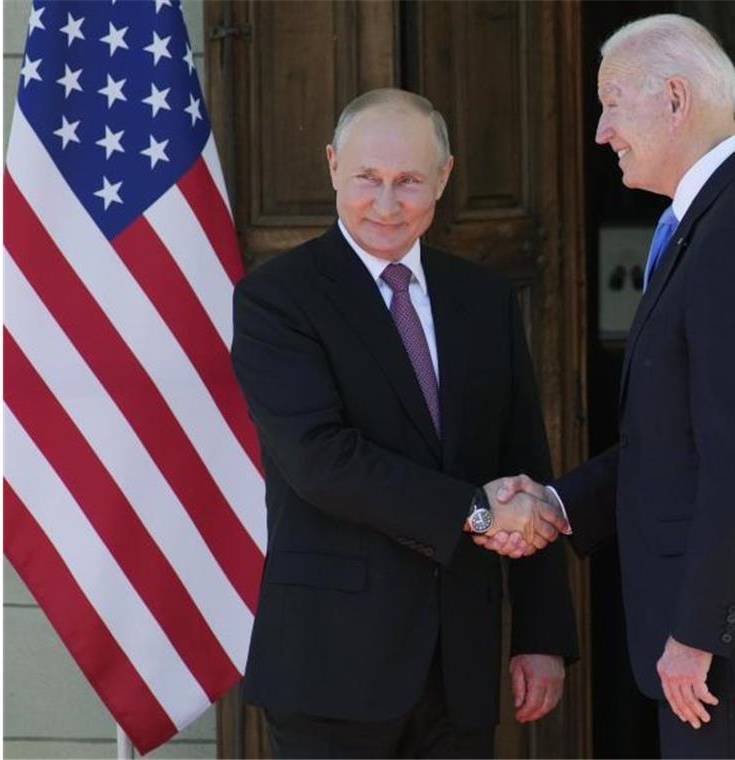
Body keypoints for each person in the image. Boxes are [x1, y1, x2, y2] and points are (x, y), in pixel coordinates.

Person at [480, 14, 735, 758]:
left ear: (677, 100)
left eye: (613, 102)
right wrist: (558, 505)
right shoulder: (716, 219)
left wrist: (696, 633)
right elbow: (678, 440)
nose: (600, 131)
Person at [231, 88, 578, 759]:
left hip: (461, 666)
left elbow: (526, 462)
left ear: (443, 179)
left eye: (409, 182)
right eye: (368, 179)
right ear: (333, 166)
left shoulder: (484, 299)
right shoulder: (277, 298)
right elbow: (321, 460)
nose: (386, 205)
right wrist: (474, 511)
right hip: (330, 670)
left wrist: (542, 634)